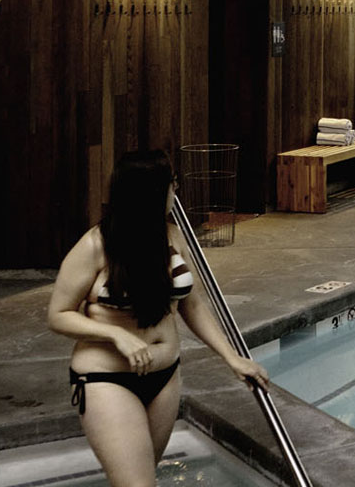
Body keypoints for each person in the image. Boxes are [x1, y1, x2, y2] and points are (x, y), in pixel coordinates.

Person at [48, 150, 269, 487]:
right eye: (172, 184)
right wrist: (115, 336)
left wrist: (231, 358)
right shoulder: (95, 245)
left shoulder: (172, 236)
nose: (176, 190)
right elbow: (58, 315)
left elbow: (191, 305)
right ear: (151, 192)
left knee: (141, 478)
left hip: (164, 377)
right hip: (107, 378)